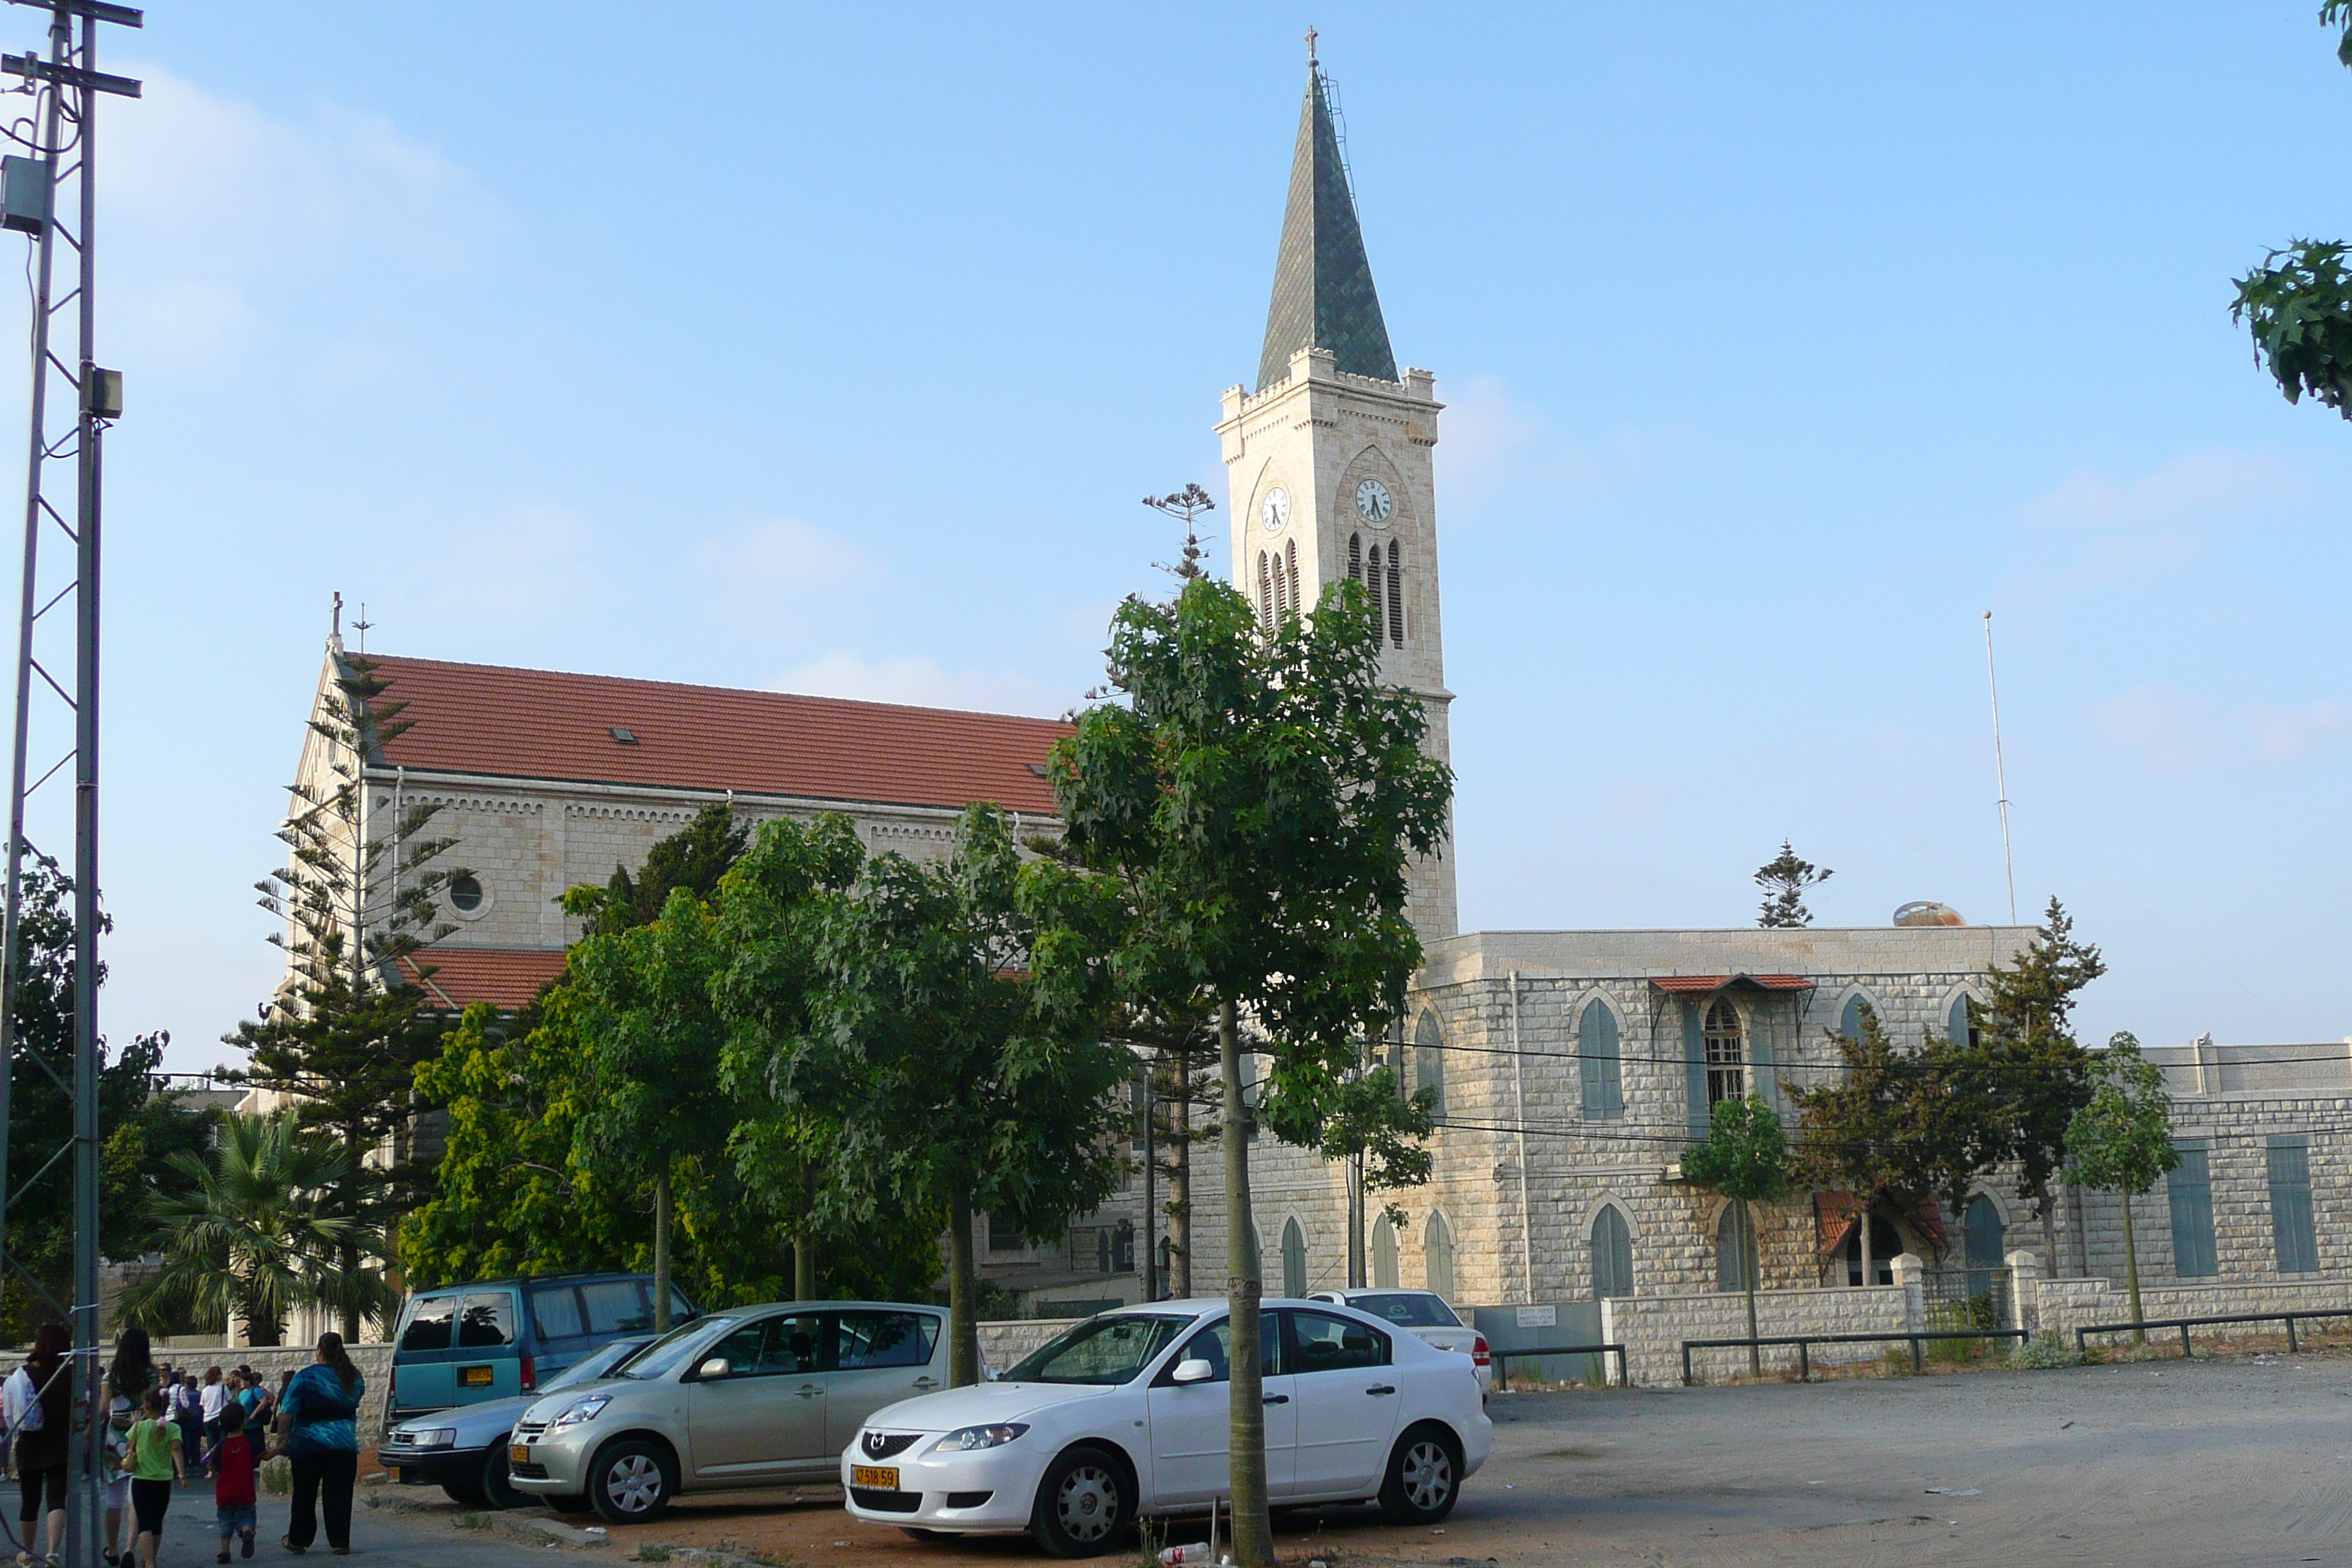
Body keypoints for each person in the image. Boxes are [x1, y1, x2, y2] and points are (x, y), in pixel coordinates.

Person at [276, 1333, 363, 1556]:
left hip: (307, 1445)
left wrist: (282, 1437)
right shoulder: (354, 1377)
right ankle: (340, 1542)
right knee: (340, 1496)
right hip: (343, 1444)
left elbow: (287, 1411)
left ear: (319, 1351)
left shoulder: (305, 1377)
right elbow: (355, 1401)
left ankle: (298, 1540)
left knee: (304, 1495)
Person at [10, 1322, 70, 1567]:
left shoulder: (22, 1374)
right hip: (59, 1442)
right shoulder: (70, 1373)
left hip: (29, 1444)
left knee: (30, 1500)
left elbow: (10, 1415)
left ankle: (27, 1553)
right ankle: (53, 1553)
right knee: (56, 1499)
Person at [101, 1327, 159, 1568]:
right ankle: (129, 1548)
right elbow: (156, 1406)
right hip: (142, 1435)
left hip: (115, 1438)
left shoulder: (111, 1376)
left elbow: (103, 1409)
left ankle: (112, 1548)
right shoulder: (151, 1375)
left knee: (114, 1498)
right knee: (136, 1496)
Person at [123, 1387, 183, 1568]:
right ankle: (152, 1558)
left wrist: (134, 1423)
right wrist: (181, 1473)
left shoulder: (139, 1427)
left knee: (144, 1523)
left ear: (147, 1406)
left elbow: (128, 1448)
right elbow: (176, 1450)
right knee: (157, 1523)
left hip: (141, 1479)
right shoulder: (173, 1428)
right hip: (163, 1480)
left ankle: (149, 1561)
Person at [204, 1401, 257, 1564]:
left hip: (225, 1492)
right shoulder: (249, 1442)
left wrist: (210, 1468)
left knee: (225, 1523)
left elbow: (213, 1467)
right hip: (245, 1491)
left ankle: (225, 1552)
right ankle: (247, 1530)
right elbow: (264, 1456)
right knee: (246, 1516)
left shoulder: (221, 1445)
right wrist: (280, 1447)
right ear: (244, 1421)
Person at [196, 1367, 226, 1477]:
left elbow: (203, 1405)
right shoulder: (223, 1388)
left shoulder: (205, 1390)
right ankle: (222, 1468)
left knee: (211, 1445)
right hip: (220, 1418)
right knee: (222, 1444)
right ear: (217, 1376)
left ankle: (211, 1470)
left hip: (208, 1419)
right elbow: (229, 1401)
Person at [172, 1376, 204, 1477]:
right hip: (198, 1421)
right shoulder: (199, 1394)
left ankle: (186, 1464)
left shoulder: (186, 1394)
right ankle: (196, 1463)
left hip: (186, 1421)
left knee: (186, 1443)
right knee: (196, 1443)